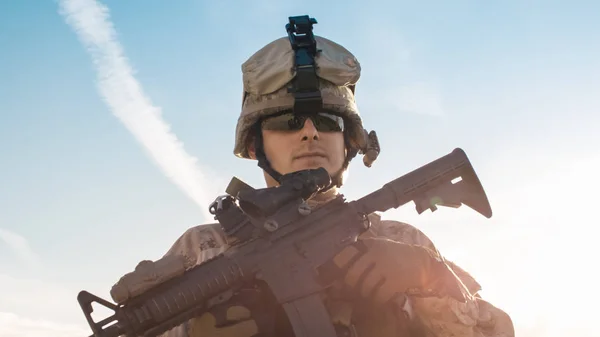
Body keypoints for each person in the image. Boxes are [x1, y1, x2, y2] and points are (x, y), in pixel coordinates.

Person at [115, 16, 515, 337]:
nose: (309, 132)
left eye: (326, 121)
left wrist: (433, 279)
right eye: (288, 122)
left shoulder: (402, 240)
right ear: (255, 147)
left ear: (351, 144)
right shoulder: (202, 249)